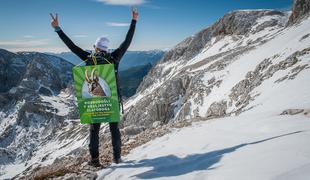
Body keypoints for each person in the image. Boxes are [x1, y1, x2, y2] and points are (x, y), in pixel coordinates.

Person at [50, 8, 138, 167]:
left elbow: (72, 46)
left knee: (94, 131)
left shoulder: (88, 58)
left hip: (93, 101)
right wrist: (134, 21)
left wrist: (58, 29)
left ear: (96, 47)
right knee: (114, 130)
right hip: (111, 99)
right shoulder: (114, 57)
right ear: (106, 49)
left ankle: (94, 160)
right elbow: (127, 41)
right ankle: (117, 158)